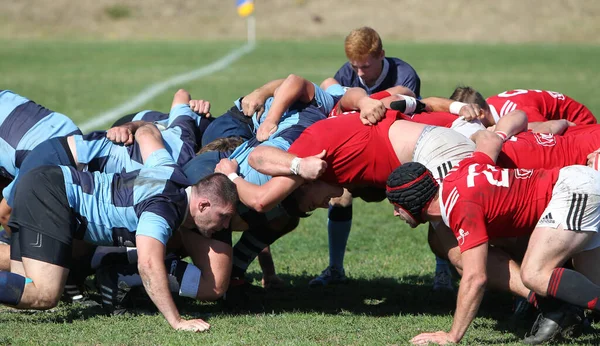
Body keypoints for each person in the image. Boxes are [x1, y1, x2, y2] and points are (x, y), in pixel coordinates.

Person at [0, 121, 238, 332]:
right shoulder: (164, 208)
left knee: (25, 284)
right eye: (224, 216)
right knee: (44, 294)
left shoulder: (170, 172)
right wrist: (176, 321)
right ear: (204, 205)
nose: (226, 225)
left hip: (45, 181)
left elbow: (147, 132)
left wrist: (131, 126)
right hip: (52, 192)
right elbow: (147, 264)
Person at [386, 128, 600, 345]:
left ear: (412, 201)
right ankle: (567, 314)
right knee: (594, 282)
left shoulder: (460, 206)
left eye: (397, 206)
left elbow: (475, 277)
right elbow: (489, 139)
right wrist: (476, 133)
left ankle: (566, 312)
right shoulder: (459, 172)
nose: (395, 213)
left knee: (533, 274)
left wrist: (452, 336)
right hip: (574, 183)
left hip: (573, 190)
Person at [315, 26, 421, 287]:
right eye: (355, 67)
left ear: (382, 55)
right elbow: (334, 100)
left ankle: (443, 272)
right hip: (360, 152)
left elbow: (406, 113)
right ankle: (335, 269)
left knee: (425, 196)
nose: (359, 73)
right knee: (338, 196)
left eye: (365, 66)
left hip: (394, 154)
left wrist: (357, 100)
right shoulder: (348, 72)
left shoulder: (405, 75)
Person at [450, 86, 596, 127]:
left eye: (468, 120)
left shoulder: (519, 112)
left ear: (480, 113)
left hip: (581, 123)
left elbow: (545, 136)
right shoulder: (488, 105)